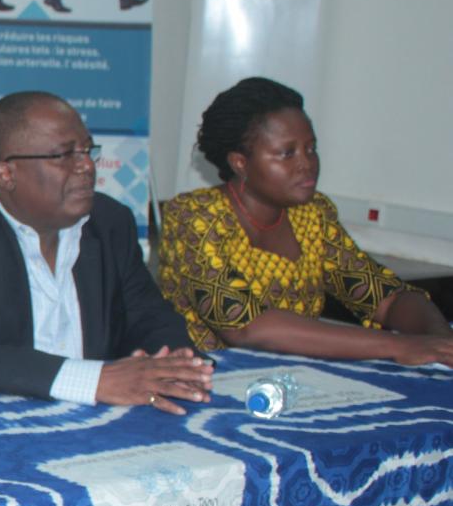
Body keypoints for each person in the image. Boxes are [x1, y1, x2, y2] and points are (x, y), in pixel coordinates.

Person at [0, 91, 212, 411]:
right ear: (6, 172)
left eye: (88, 150)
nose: (87, 166)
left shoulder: (109, 222)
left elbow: (148, 316)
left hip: (78, 422)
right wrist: (93, 380)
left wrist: (174, 363)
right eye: (63, 155)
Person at [158, 77, 453, 364]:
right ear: (240, 163)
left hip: (299, 382)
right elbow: (245, 327)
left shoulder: (313, 215)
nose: (306, 163)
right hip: (208, 380)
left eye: (310, 149)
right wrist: (398, 346)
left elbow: (384, 298)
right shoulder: (194, 217)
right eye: (287, 153)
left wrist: (438, 341)